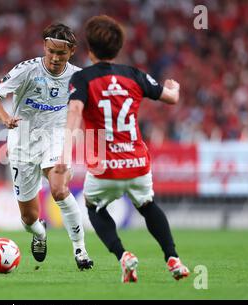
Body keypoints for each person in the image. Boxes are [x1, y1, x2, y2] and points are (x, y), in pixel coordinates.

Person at [54, 15, 189, 282]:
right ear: (119, 48)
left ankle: (123, 255)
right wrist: (175, 87)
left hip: (104, 167)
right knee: (148, 205)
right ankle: (173, 258)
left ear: (89, 50)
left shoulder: (83, 79)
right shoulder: (134, 75)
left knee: (94, 208)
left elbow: (75, 112)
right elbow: (171, 97)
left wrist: (63, 157)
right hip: (137, 162)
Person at [0, 23, 93, 270]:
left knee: (59, 189)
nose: (55, 57)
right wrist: (5, 118)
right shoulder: (27, 70)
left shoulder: (78, 77)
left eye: (61, 53)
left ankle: (80, 251)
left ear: (72, 51)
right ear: (44, 46)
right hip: (22, 141)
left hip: (55, 138)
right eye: (51, 51)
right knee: (28, 218)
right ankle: (40, 233)